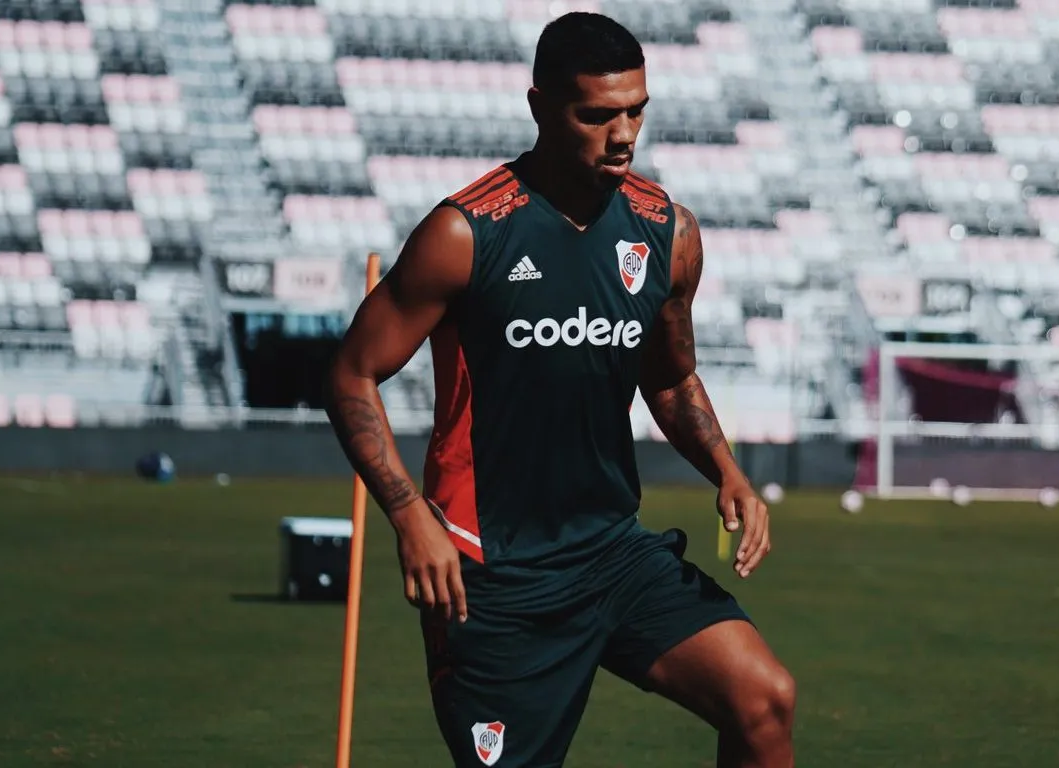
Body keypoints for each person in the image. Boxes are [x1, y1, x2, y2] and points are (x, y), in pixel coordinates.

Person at [324, 12, 795, 768]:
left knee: (764, 700)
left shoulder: (666, 232)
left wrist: (726, 470)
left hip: (611, 552)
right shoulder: (465, 234)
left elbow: (670, 377)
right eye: (597, 115)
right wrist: (409, 515)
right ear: (540, 107)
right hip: (492, 574)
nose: (623, 135)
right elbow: (351, 372)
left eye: (636, 111)